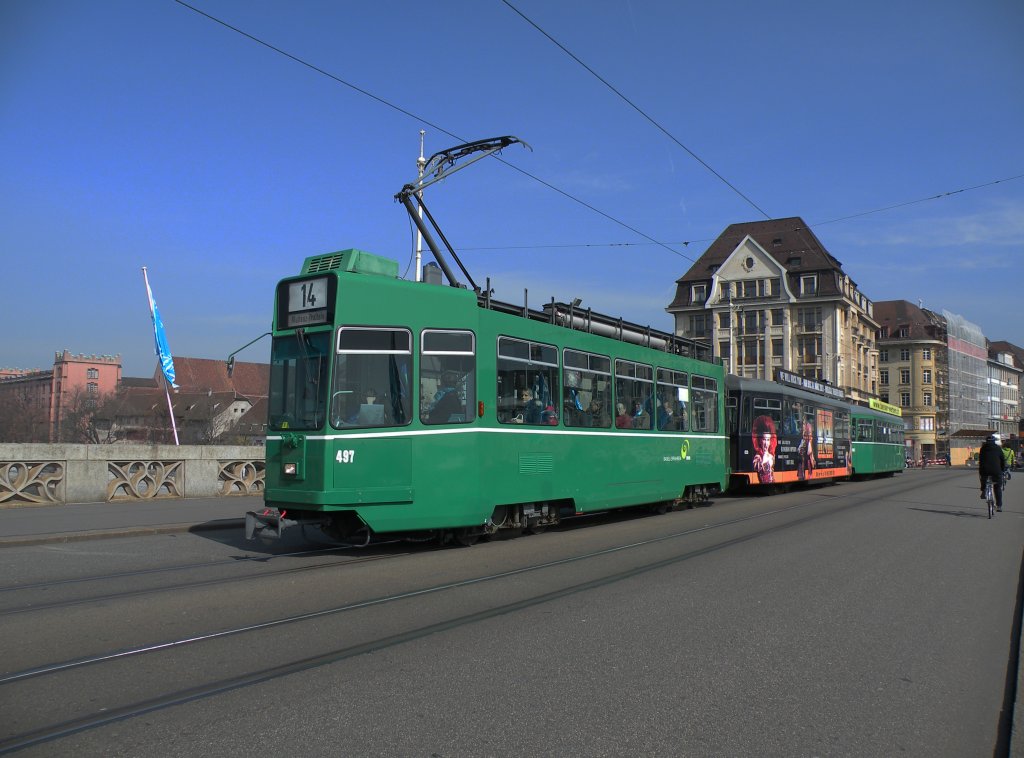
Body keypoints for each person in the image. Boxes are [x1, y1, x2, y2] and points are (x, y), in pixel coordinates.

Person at [979, 433, 1007, 511]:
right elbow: (1002, 460)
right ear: (994, 441)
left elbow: (981, 460)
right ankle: (999, 506)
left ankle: (984, 489)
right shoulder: (998, 448)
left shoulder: (983, 448)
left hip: (985, 470)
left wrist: (981, 470)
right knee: (997, 487)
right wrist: (1003, 469)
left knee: (982, 477)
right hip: (996, 471)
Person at [751, 415, 777, 483]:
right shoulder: (758, 457)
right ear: (760, 440)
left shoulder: (771, 456)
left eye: (768, 439)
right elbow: (756, 468)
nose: (766, 443)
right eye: (764, 439)